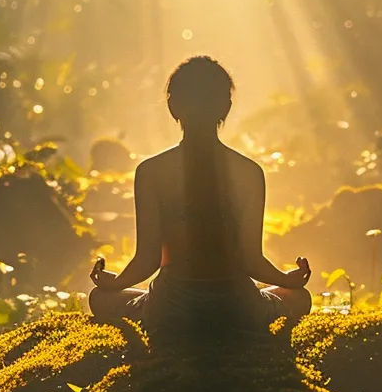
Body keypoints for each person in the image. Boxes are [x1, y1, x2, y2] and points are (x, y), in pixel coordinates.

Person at [89, 56, 312, 341]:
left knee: (100, 299)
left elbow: (148, 260)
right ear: (226, 107)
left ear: (173, 106)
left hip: (172, 310)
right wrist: (287, 280)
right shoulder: (250, 172)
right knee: (299, 298)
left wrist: (116, 283)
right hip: (237, 308)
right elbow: (251, 260)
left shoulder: (151, 172)